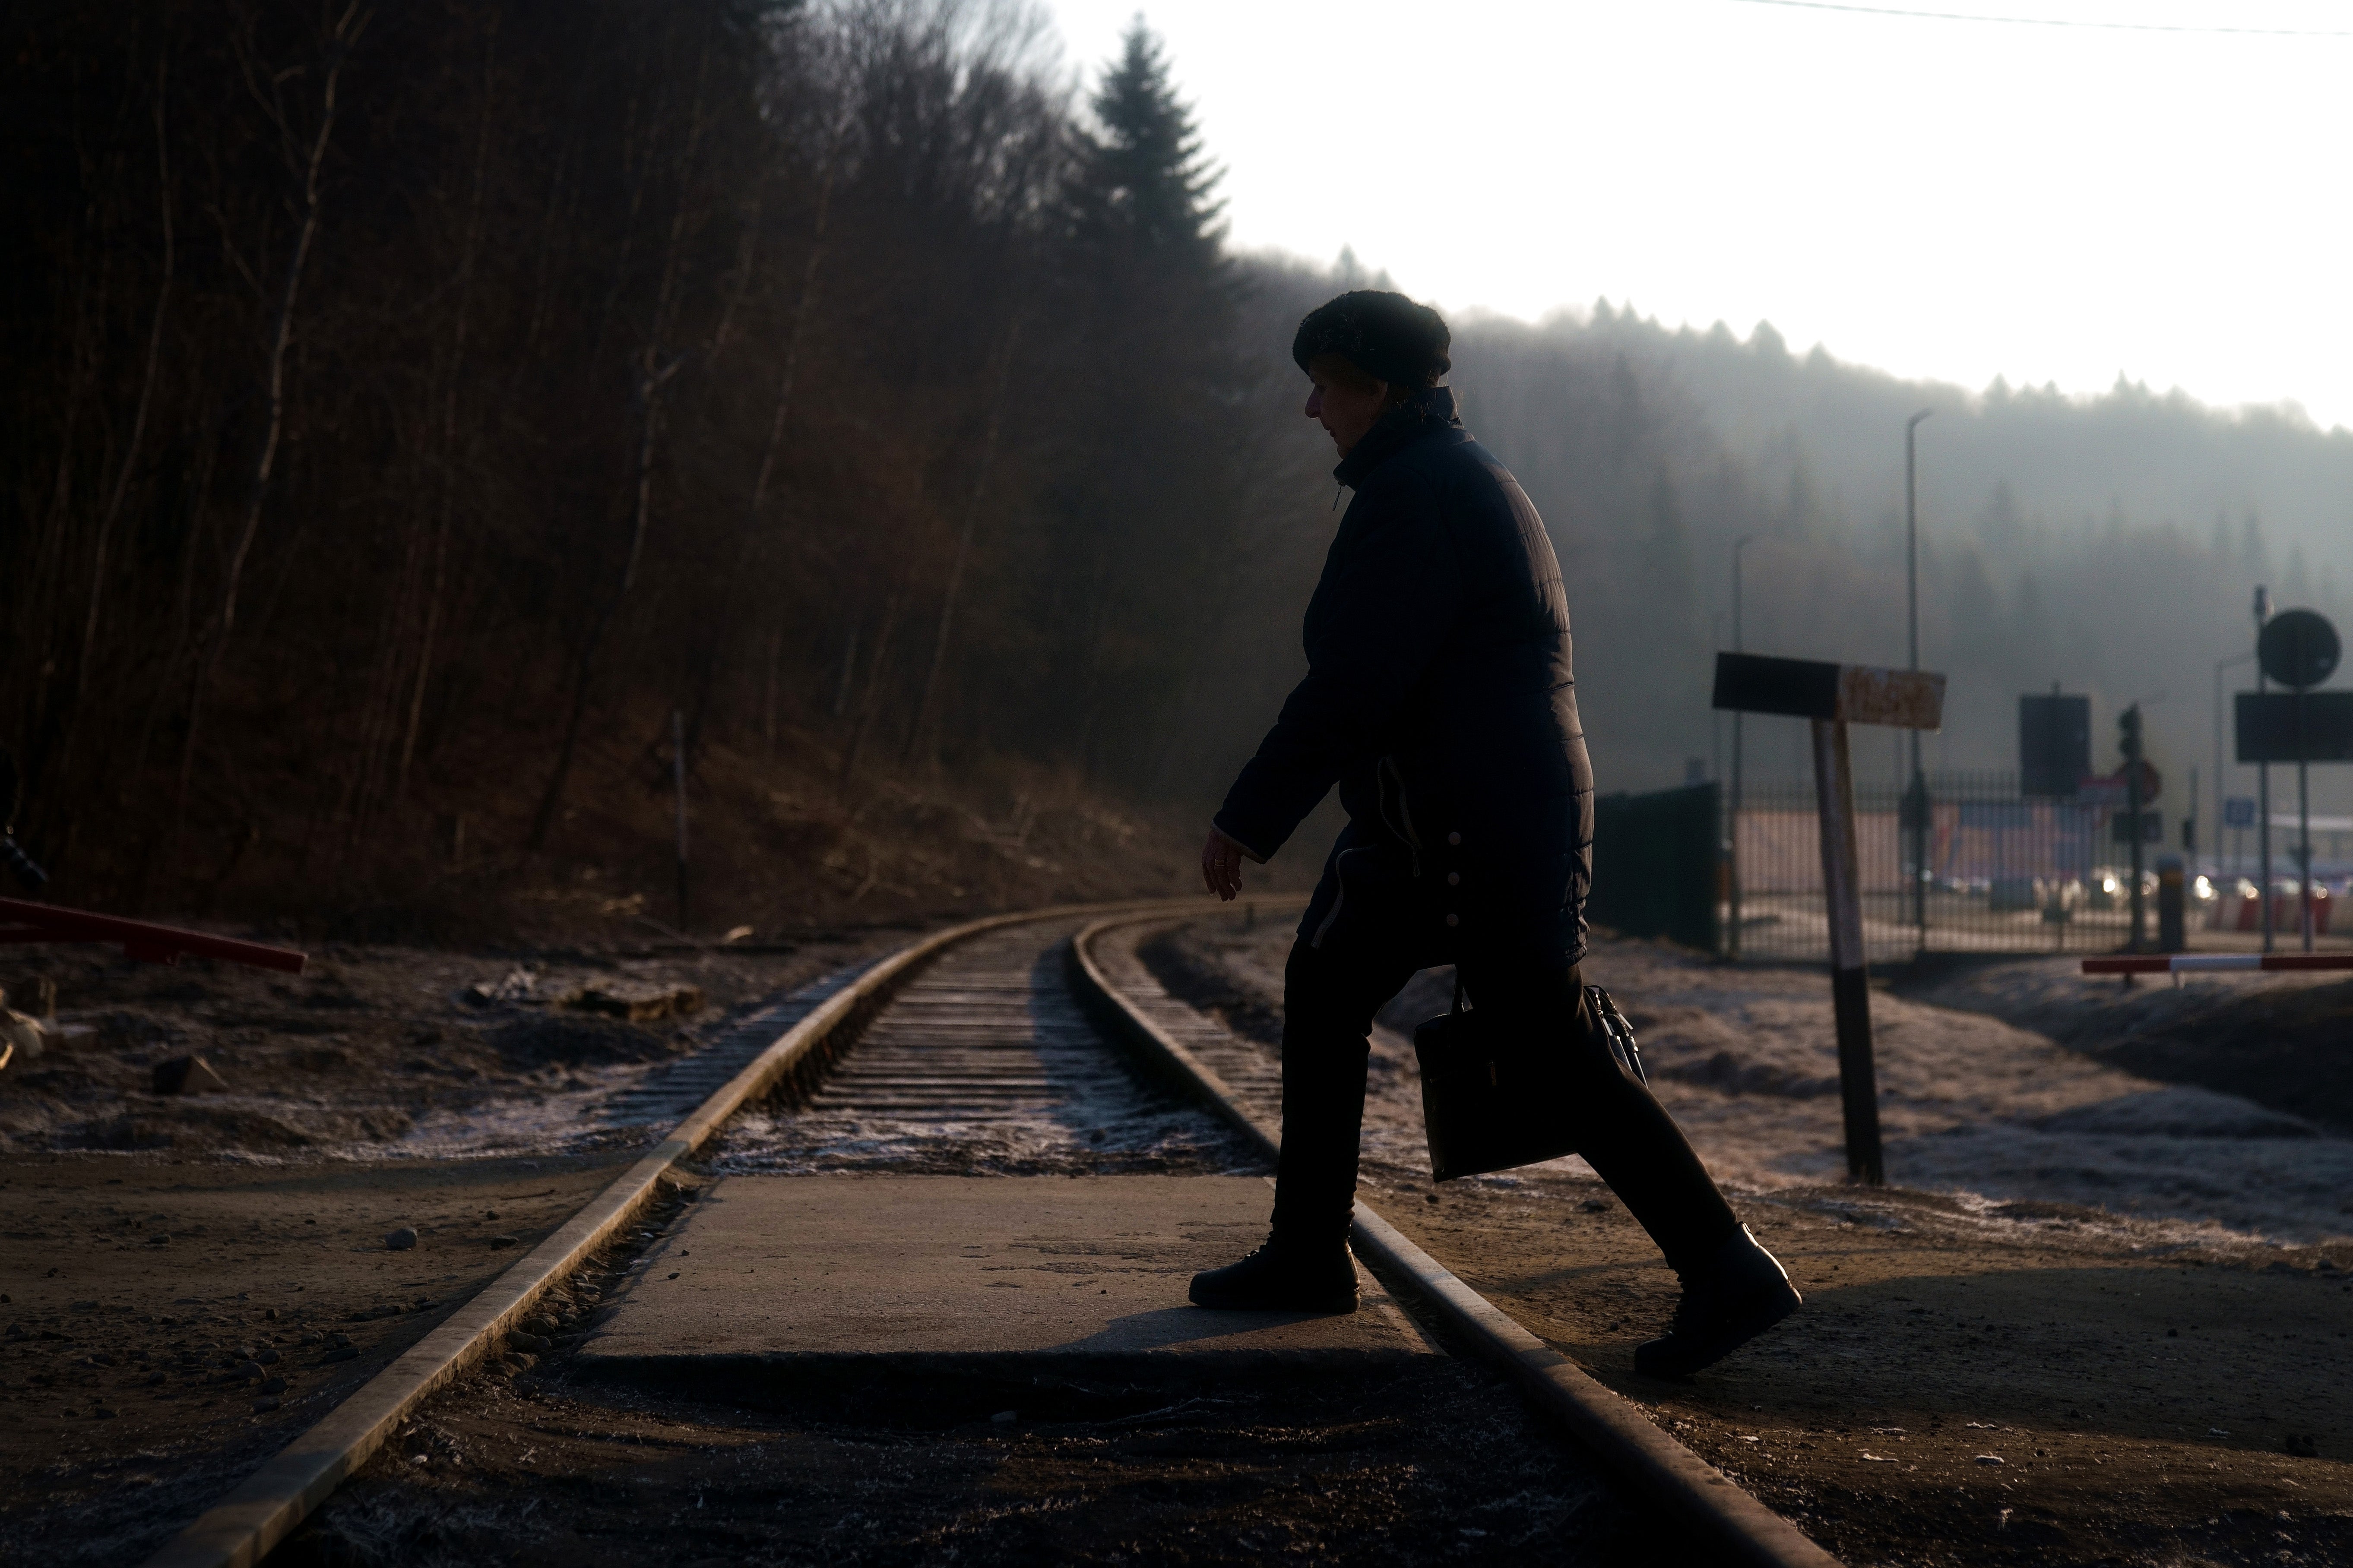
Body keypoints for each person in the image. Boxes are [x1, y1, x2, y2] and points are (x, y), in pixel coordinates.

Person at [1188, 290, 1800, 1378]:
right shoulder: (1440, 479)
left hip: (1475, 827)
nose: (1309, 406)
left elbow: (1355, 684)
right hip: (1451, 819)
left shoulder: (1418, 497)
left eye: (1325, 383)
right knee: (1330, 985)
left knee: (1550, 1043)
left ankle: (1727, 1268)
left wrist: (1248, 814)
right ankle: (1306, 1251)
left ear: (1378, 390)